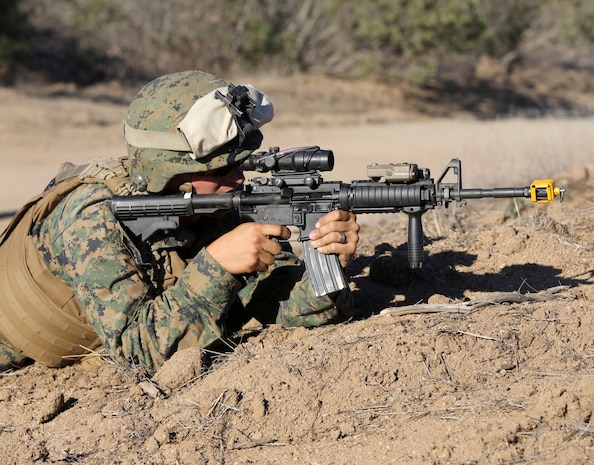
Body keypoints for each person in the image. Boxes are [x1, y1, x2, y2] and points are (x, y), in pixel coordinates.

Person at [0, 70, 360, 373]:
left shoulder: (216, 206)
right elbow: (138, 353)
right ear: (171, 172)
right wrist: (217, 268)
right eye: (221, 169)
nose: (239, 179)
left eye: (241, 163)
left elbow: (276, 305)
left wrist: (327, 265)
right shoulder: (93, 219)